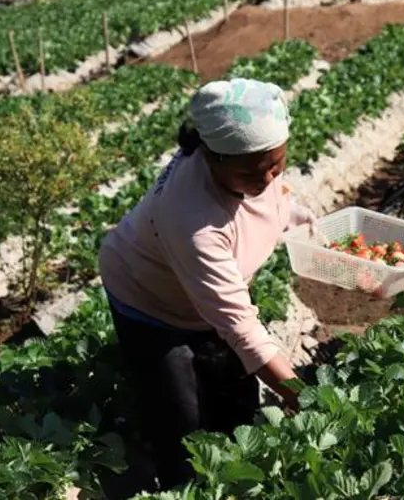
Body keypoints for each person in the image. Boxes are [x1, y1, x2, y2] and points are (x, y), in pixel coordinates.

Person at [98, 78, 316, 491]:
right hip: (147, 299)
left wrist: (300, 218)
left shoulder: (252, 172)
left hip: (203, 294)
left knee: (238, 404)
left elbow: (271, 200)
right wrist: (303, 398)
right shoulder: (192, 221)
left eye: (277, 162)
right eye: (253, 170)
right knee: (183, 424)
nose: (267, 177)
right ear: (211, 157)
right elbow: (241, 327)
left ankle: (240, 480)